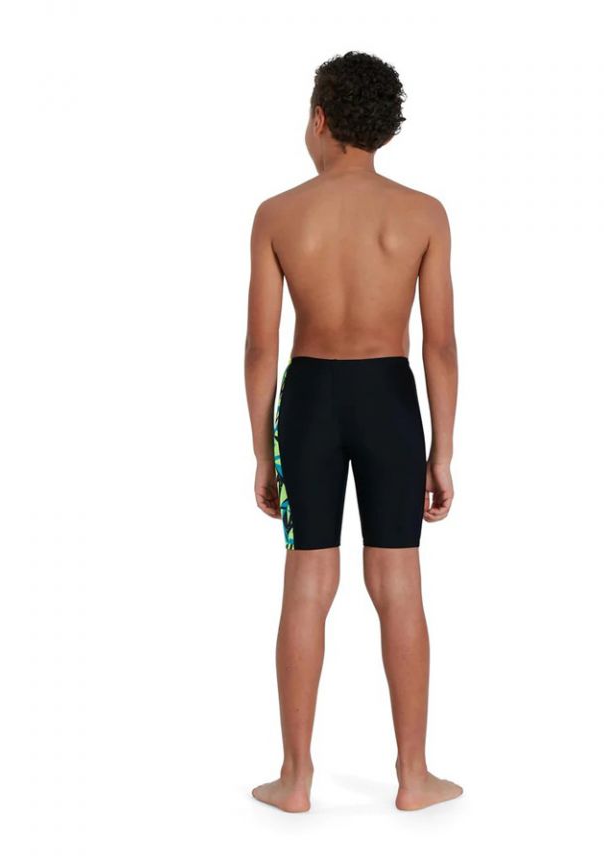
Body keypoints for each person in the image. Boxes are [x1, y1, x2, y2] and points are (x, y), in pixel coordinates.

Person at [244, 51, 461, 812]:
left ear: (320, 119)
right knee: (398, 585)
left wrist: (262, 453)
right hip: (389, 401)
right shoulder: (423, 214)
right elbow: (439, 346)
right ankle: (415, 777)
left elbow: (261, 348)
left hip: (308, 399)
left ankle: (295, 779)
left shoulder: (277, 214)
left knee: (307, 584)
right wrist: (442, 450)